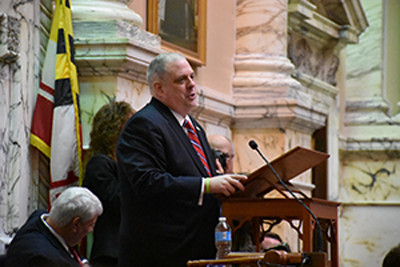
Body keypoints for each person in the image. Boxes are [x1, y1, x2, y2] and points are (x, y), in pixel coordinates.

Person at [117, 52, 247, 267]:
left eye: (192, 77)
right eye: (181, 80)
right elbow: (147, 182)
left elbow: (205, 177)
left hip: (196, 248)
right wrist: (207, 185)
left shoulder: (194, 126)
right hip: (160, 254)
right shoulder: (144, 124)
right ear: (159, 89)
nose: (191, 85)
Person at [83, 101, 134, 266]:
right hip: (111, 254)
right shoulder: (99, 164)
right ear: (115, 130)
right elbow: (118, 201)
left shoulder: (124, 163)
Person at [5, 186, 103, 267]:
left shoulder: (42, 219)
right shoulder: (45, 260)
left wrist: (84, 263)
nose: (91, 230)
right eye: (91, 225)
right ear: (76, 224)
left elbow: (71, 248)